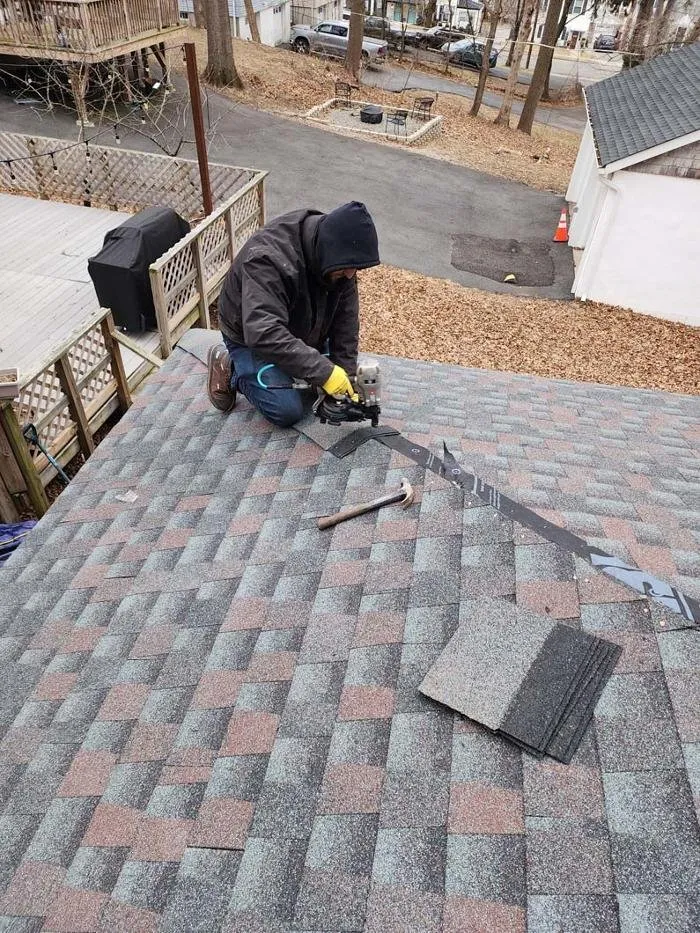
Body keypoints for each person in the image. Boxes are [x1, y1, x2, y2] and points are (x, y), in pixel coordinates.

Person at [207, 201, 380, 427]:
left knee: (332, 375)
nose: (351, 274)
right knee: (286, 410)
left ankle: (295, 361)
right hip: (252, 335)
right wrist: (325, 373)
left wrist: (344, 376)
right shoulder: (267, 260)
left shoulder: (339, 257)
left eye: (354, 268)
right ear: (329, 249)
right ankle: (231, 367)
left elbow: (345, 323)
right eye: (347, 269)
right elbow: (263, 331)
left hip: (300, 323)